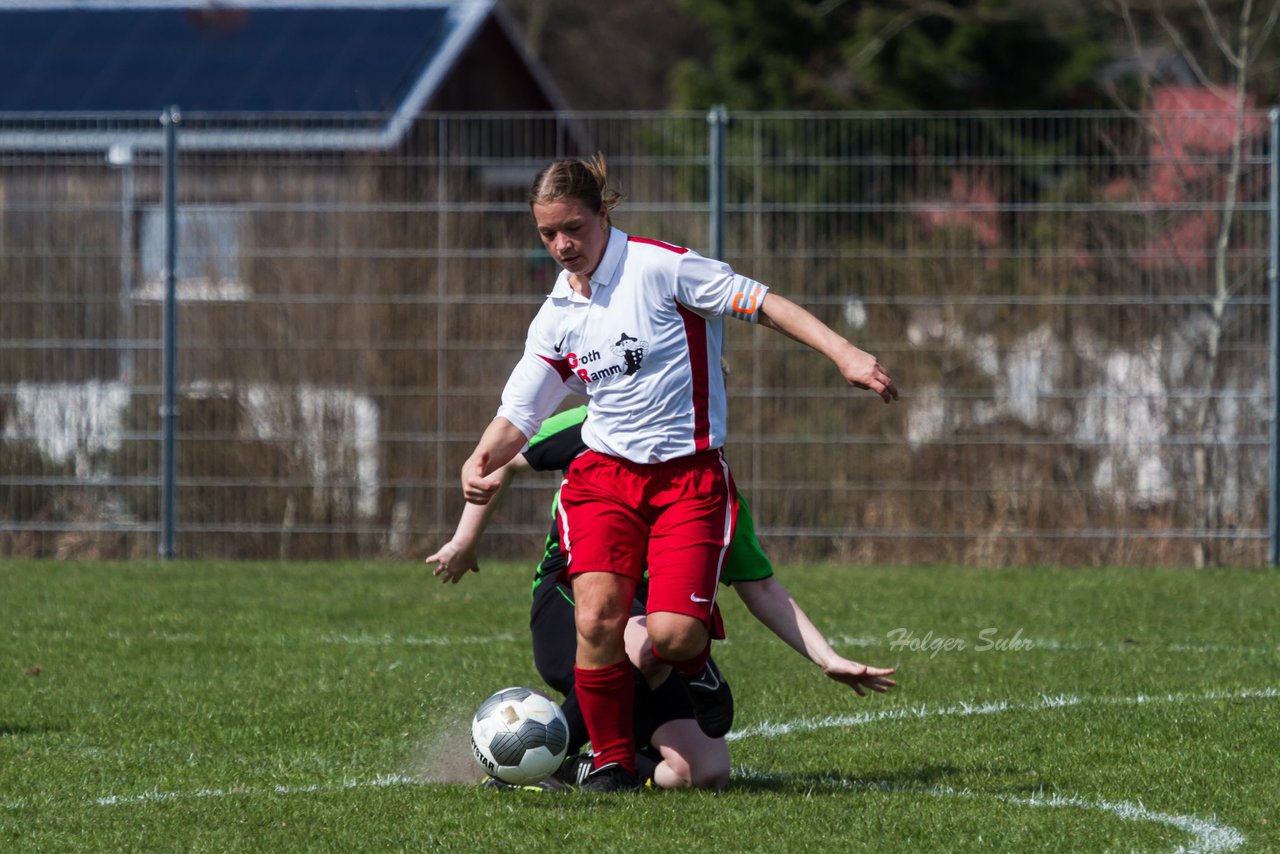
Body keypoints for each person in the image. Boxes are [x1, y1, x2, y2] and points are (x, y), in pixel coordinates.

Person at [460, 154, 897, 792]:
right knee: (596, 621)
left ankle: (699, 668)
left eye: (573, 228)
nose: (562, 245)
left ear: (603, 212)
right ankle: (608, 763)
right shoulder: (558, 312)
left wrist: (845, 352)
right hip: (605, 481)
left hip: (687, 480)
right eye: (548, 234)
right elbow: (521, 408)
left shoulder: (661, 267)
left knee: (673, 631)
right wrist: (480, 458)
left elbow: (763, 302)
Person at [429, 405, 897, 791]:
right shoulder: (595, 425)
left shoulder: (711, 490)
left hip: (661, 625)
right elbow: (503, 458)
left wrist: (826, 657)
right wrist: (465, 541)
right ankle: (538, 759)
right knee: (647, 641)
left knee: (700, 772)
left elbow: (763, 588)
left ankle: (582, 767)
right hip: (573, 599)